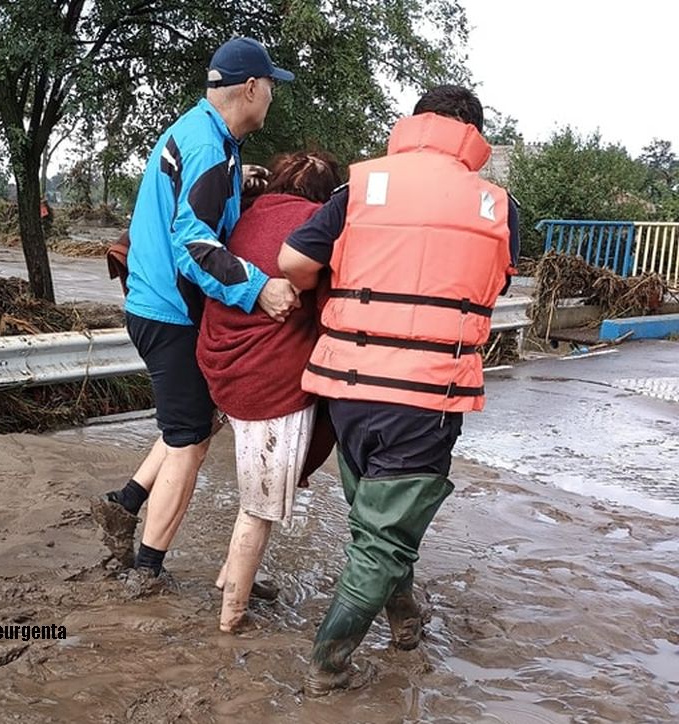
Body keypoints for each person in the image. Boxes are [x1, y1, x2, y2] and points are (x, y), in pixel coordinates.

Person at [278, 85, 520, 695]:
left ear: (415, 122)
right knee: (385, 534)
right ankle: (327, 665)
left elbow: (292, 263)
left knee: (378, 521)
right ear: (473, 133)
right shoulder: (496, 205)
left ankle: (404, 620)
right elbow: (499, 282)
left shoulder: (358, 186)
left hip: (349, 388)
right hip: (427, 394)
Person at [90, 37, 299, 592]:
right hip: (171, 313)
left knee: (193, 420)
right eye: (270, 87)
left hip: (151, 302)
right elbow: (193, 244)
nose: (272, 98)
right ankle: (147, 569)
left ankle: (125, 501)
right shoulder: (210, 150)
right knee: (189, 439)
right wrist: (258, 290)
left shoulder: (203, 134)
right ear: (251, 88)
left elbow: (196, 198)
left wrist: (240, 179)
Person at [196, 152, 341, 632]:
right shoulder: (316, 227)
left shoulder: (245, 214)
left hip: (219, 367)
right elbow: (329, 311)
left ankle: (232, 577)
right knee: (259, 508)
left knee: (252, 492)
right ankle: (232, 615)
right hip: (268, 383)